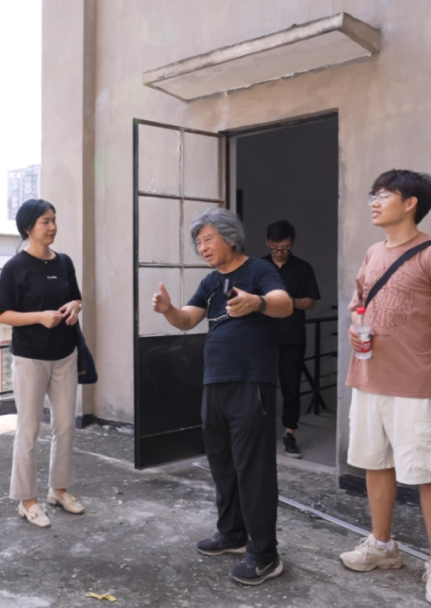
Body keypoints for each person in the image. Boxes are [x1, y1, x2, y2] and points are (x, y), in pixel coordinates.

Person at [339, 170, 431, 608]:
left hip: (414, 385)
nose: (374, 201)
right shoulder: (372, 252)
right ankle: (383, 545)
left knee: (427, 474)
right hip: (368, 377)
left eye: (384, 194)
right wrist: (356, 327)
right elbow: (359, 304)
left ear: (410, 203)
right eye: (373, 195)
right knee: (375, 464)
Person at [151, 207, 293, 586]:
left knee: (253, 469)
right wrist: (168, 310)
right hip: (214, 383)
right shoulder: (211, 282)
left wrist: (256, 302)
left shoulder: (259, 271)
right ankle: (232, 533)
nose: (202, 247)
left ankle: (265, 554)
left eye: (208, 239)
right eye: (198, 242)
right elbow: (187, 320)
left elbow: (284, 303)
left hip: (251, 382)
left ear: (230, 237)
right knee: (222, 463)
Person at [0, 199, 85, 528]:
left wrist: (75, 306)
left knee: (65, 425)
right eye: (45, 221)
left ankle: (58, 490)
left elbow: (76, 297)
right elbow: (2, 313)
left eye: (54, 220)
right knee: (29, 429)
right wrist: (38, 317)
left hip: (65, 354)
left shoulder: (64, 261)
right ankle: (27, 500)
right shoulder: (15, 267)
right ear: (28, 227)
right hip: (30, 357)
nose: (52, 227)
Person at [262, 220, 321, 459]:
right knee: (261, 388)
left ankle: (289, 433)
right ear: (268, 242)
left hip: (293, 337)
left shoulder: (302, 268)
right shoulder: (258, 267)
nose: (280, 252)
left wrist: (289, 301)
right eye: (275, 248)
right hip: (263, 338)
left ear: (292, 243)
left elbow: (311, 302)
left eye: (285, 248)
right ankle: (262, 432)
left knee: (291, 388)